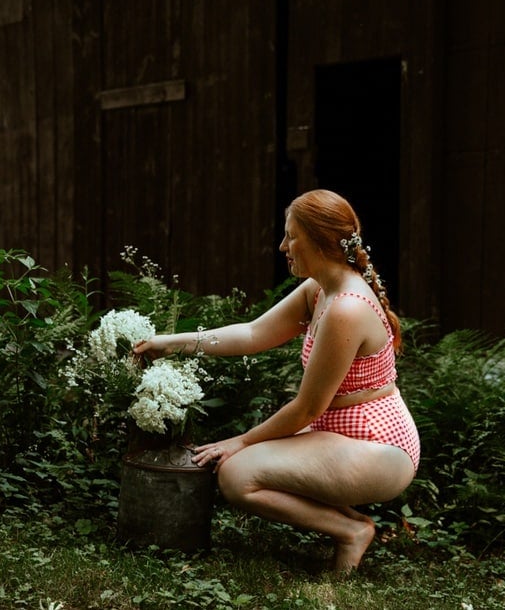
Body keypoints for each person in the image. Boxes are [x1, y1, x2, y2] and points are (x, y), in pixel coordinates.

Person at [133, 189, 420, 571]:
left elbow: (307, 408)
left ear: (320, 241)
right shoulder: (319, 289)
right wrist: (170, 343)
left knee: (237, 474)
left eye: (291, 236)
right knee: (238, 469)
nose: (283, 246)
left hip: (377, 447)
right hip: (337, 435)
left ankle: (350, 531)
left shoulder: (347, 309)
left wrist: (240, 441)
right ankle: (352, 524)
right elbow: (253, 334)